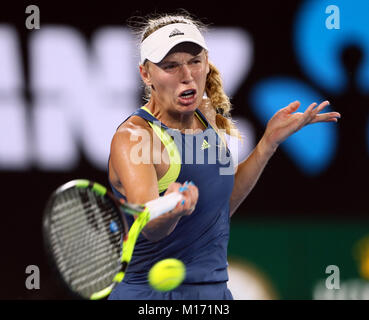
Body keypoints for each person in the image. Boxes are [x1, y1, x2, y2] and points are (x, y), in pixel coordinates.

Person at [107, 12, 341, 300]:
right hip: (150, 298)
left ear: (207, 61)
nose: (187, 75)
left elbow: (218, 209)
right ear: (146, 74)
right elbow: (149, 225)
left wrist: (268, 143)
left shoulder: (207, 117)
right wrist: (173, 211)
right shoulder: (133, 138)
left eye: (195, 61)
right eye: (170, 66)